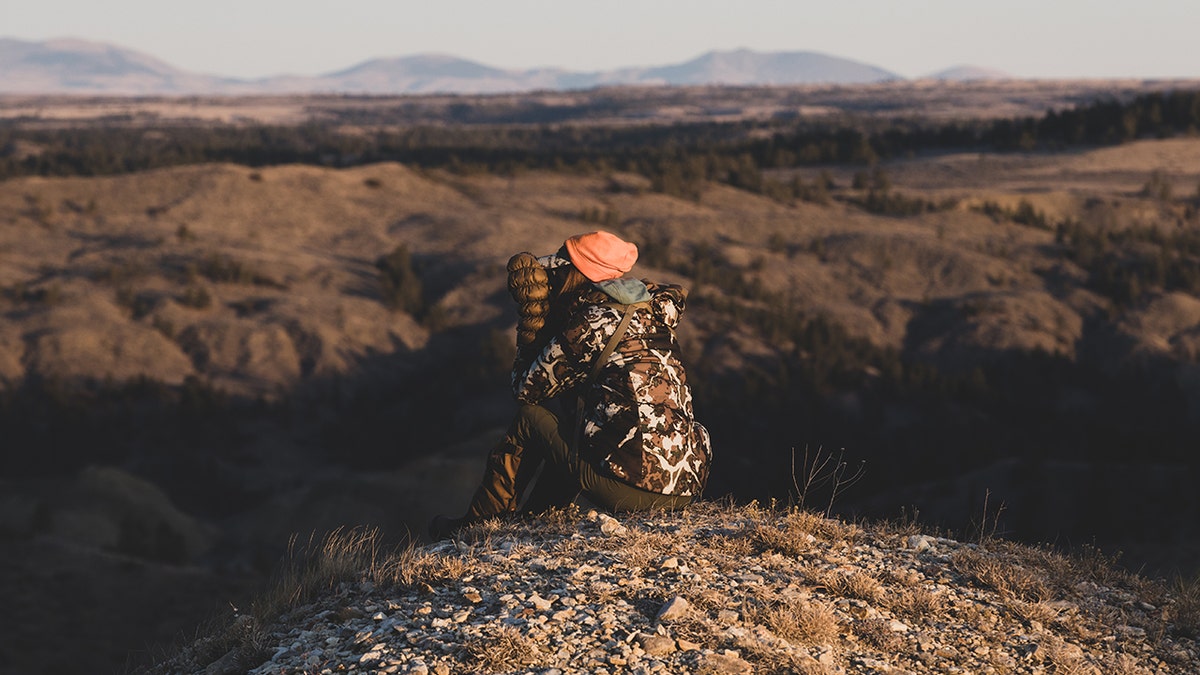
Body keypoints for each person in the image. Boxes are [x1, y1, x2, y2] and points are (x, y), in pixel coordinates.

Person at [430, 231, 711, 539]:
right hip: (684, 487)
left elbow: (526, 390)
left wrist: (531, 327)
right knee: (571, 429)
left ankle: (478, 527)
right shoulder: (653, 315)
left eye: (561, 269)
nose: (553, 279)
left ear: (578, 274)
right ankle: (533, 521)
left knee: (531, 419)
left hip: (633, 488)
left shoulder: (593, 322)